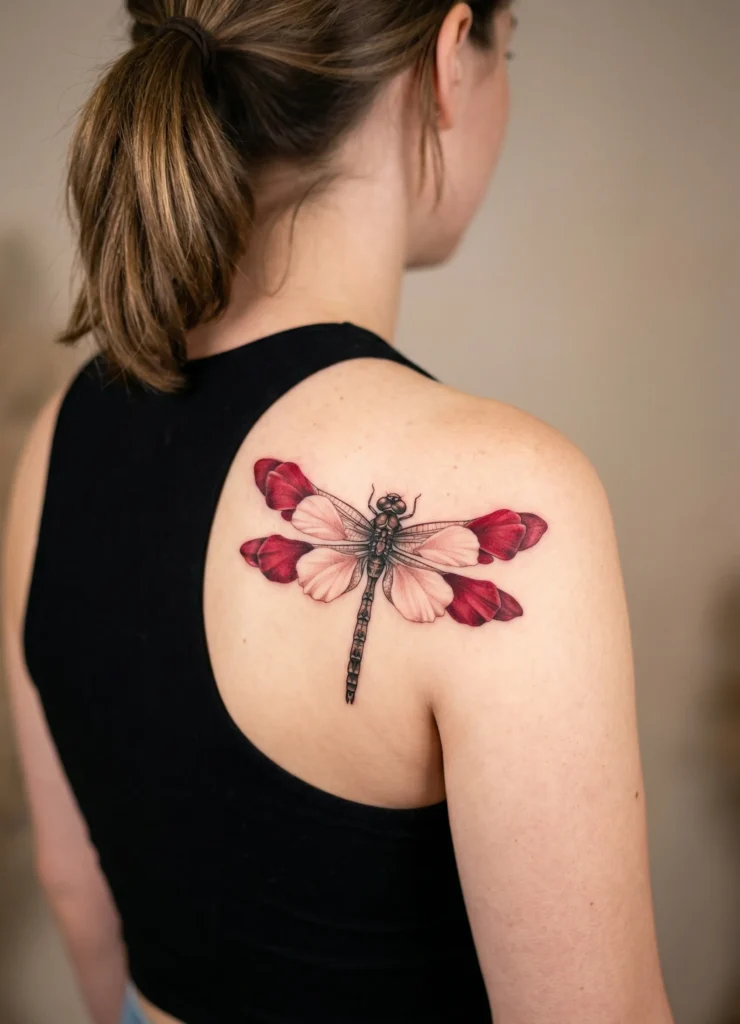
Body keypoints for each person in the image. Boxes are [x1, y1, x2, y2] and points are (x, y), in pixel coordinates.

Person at [1, 2, 676, 1023]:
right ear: (449, 60)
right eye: (508, 52)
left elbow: (74, 885)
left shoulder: (65, 426)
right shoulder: (510, 487)